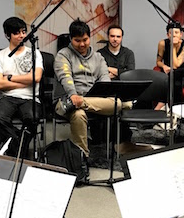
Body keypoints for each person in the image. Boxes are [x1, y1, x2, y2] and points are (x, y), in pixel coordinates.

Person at [54, 19, 131, 169]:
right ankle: (82, 159)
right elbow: (65, 77)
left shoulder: (98, 58)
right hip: (65, 101)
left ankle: (83, 103)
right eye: (77, 40)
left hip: (91, 100)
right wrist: (73, 95)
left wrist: (83, 101)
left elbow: (105, 81)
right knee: (79, 115)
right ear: (70, 39)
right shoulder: (63, 55)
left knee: (114, 102)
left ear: (90, 38)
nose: (82, 44)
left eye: (85, 40)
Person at [0, 17, 43, 158]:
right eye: (17, 33)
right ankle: (19, 145)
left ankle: (16, 150)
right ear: (8, 35)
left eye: (24, 32)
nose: (22, 36)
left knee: (32, 119)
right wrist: (26, 80)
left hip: (30, 98)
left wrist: (10, 78)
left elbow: (36, 78)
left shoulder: (34, 53)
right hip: (7, 97)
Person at [156, 21, 184, 107]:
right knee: (172, 80)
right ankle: (171, 109)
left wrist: (173, 46)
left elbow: (176, 65)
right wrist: (164, 66)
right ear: (167, 35)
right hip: (171, 73)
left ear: (181, 34)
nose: (174, 35)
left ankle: (161, 105)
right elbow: (158, 61)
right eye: (171, 33)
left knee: (173, 76)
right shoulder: (162, 43)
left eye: (176, 33)